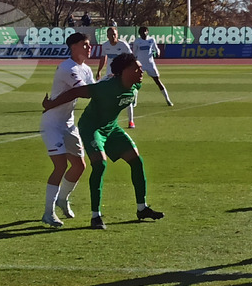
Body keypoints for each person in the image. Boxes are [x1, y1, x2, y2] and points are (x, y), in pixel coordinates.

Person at [43, 53, 164, 230]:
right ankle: (95, 216)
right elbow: (76, 92)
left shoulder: (136, 84)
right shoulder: (106, 87)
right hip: (91, 128)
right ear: (123, 71)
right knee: (100, 165)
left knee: (137, 161)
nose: (141, 70)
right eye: (136, 68)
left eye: (140, 67)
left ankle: (142, 208)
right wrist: (51, 104)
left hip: (111, 127)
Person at [39, 31, 94, 227]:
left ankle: (62, 199)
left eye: (88, 44)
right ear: (74, 47)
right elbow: (85, 91)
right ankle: (48, 212)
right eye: (85, 44)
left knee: (79, 166)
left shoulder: (85, 69)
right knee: (60, 165)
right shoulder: (66, 68)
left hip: (68, 123)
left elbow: (93, 90)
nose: (89, 47)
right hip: (52, 124)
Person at [97, 26, 135, 128]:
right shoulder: (105, 46)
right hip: (110, 75)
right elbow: (103, 58)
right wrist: (99, 71)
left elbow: (131, 59)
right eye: (110, 34)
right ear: (107, 36)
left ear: (117, 35)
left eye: (114, 34)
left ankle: (131, 121)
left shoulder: (123, 45)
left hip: (122, 76)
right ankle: (105, 120)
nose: (113, 36)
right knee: (104, 96)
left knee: (127, 98)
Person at [133, 26, 173, 106]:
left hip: (150, 64)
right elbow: (134, 53)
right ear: (139, 33)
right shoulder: (137, 42)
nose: (143, 33)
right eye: (142, 32)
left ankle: (168, 100)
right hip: (141, 64)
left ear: (147, 32)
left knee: (157, 81)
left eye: (145, 31)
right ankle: (134, 102)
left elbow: (157, 49)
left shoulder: (151, 40)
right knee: (136, 83)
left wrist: (157, 52)